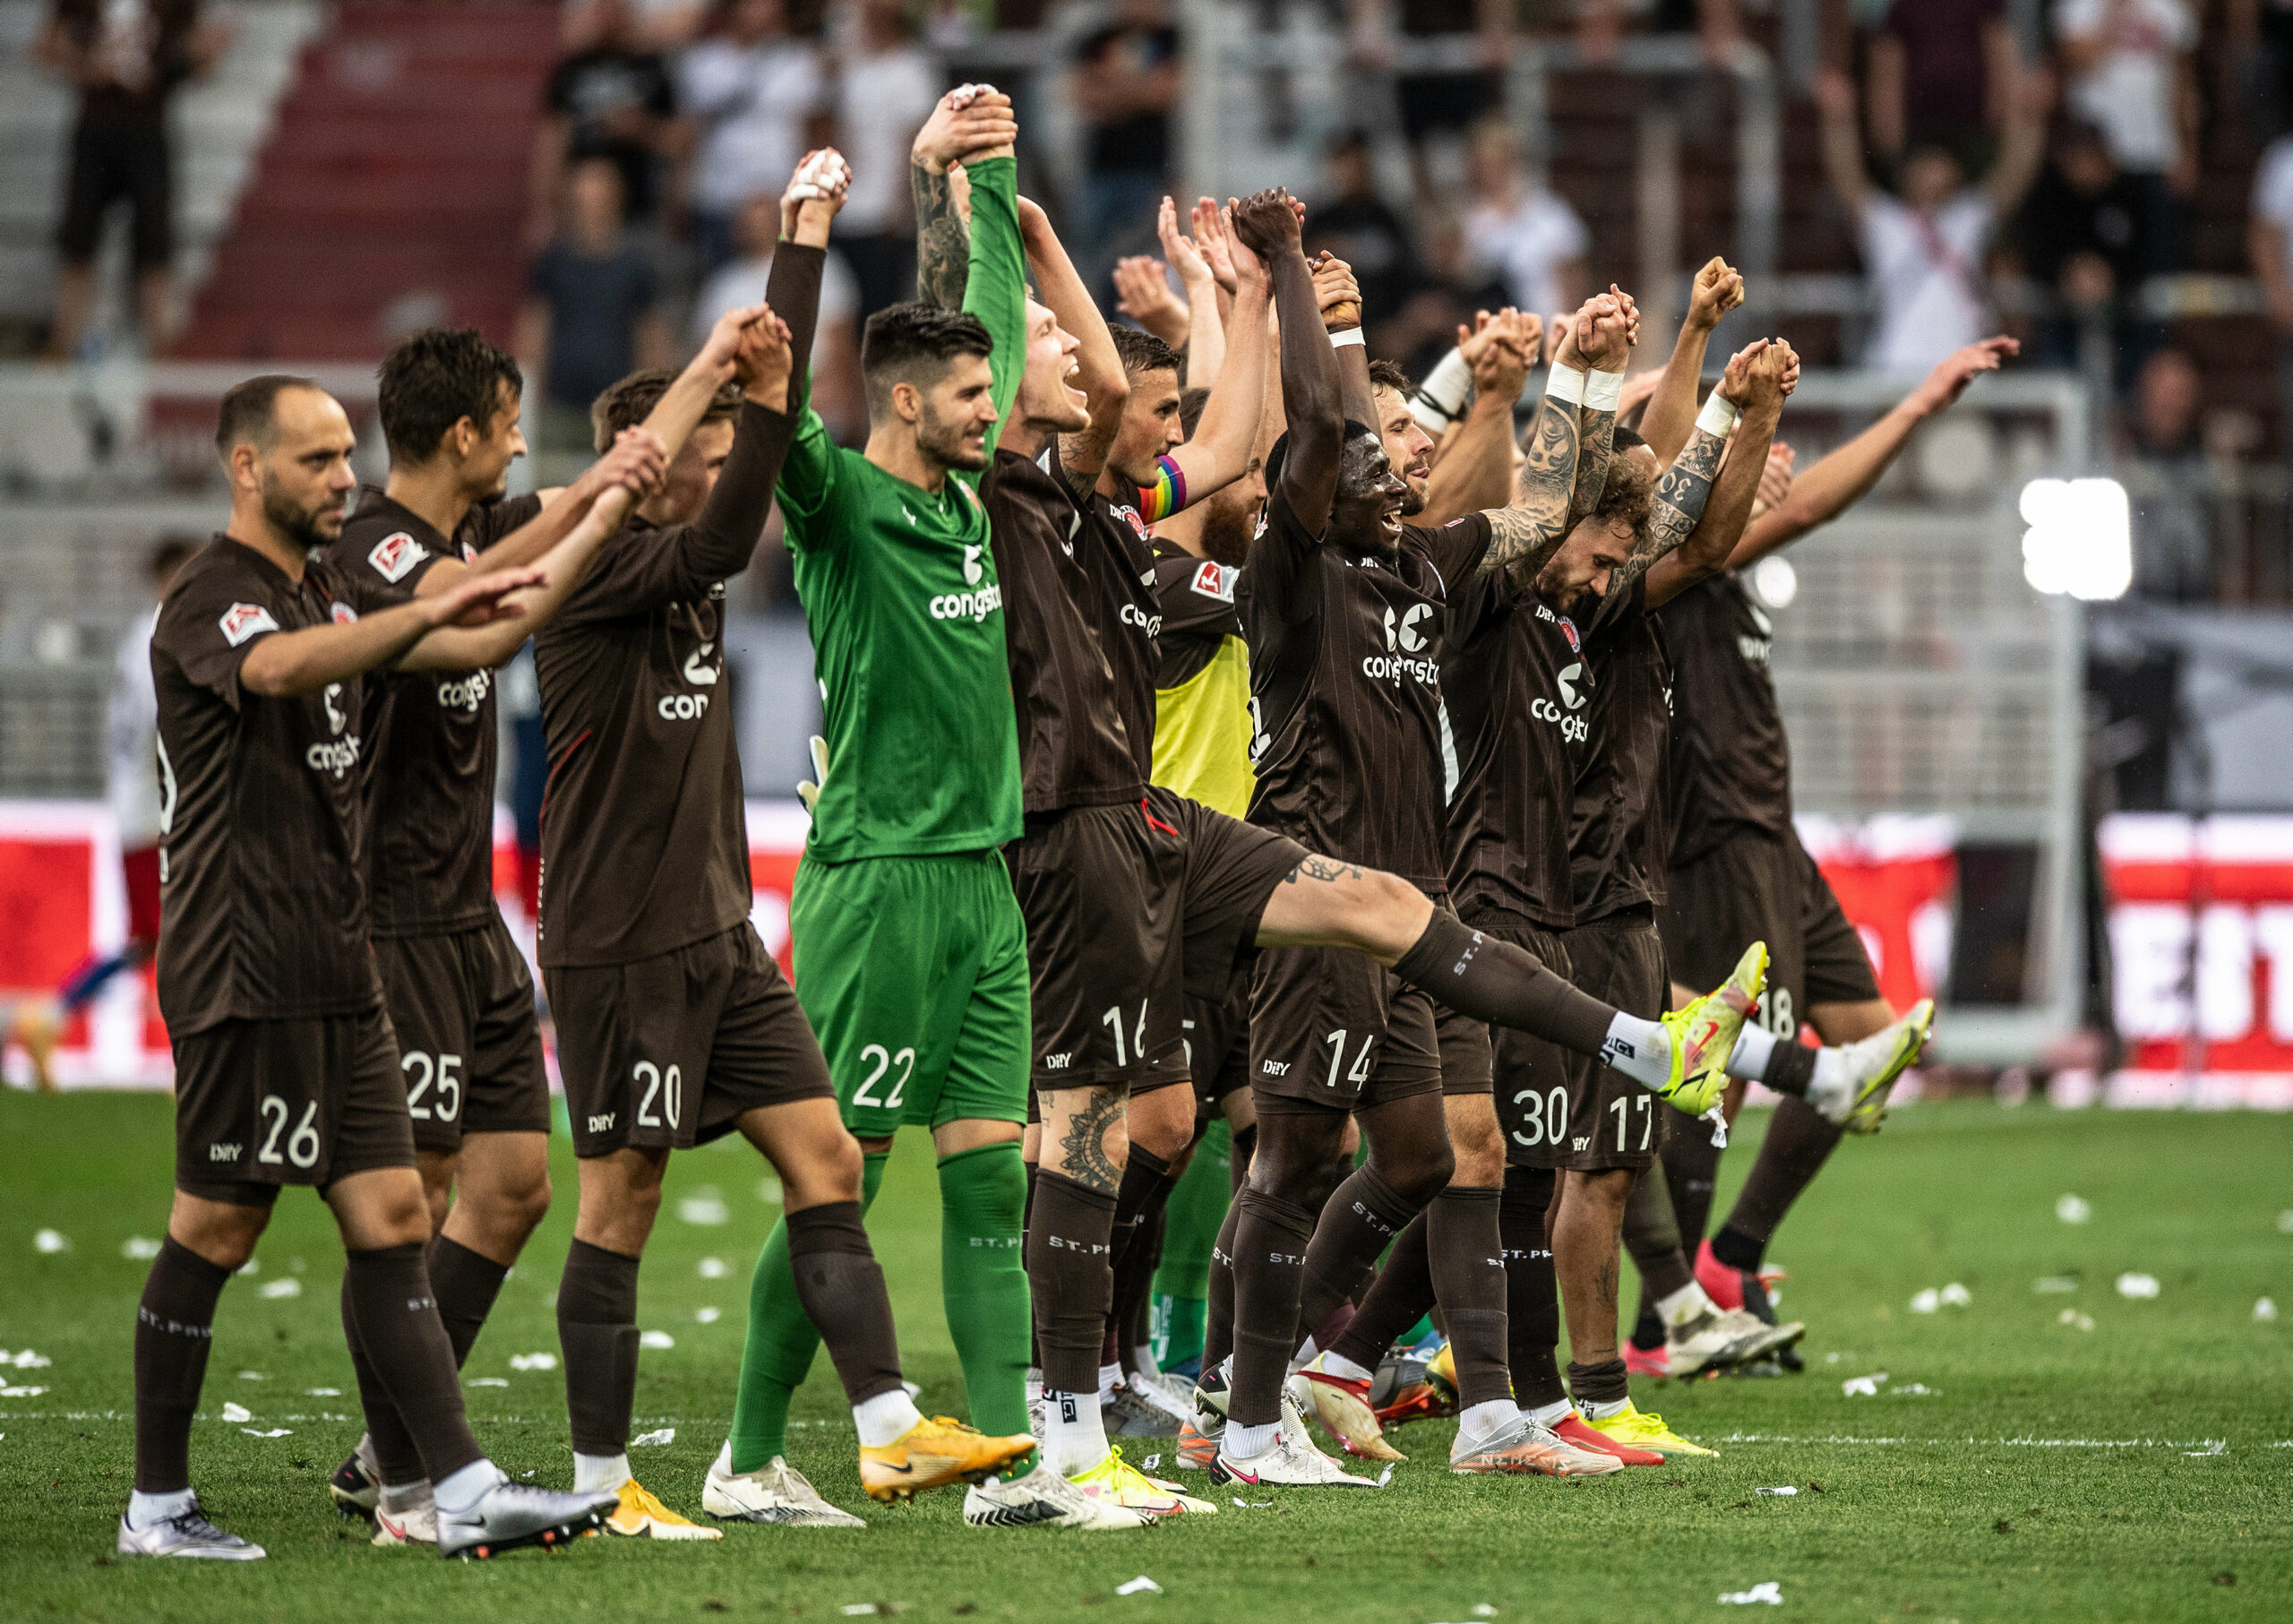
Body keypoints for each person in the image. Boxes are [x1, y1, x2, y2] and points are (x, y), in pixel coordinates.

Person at [1203, 229, 1762, 1488]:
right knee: (1295, 1160)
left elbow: (1552, 510)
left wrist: (1574, 375)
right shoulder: (1289, 579)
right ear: (1313, 480)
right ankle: (1237, 1414)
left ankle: (1486, 1416)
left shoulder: (1424, 570)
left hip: (1421, 908)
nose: (1396, 466)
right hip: (1318, 906)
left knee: (1439, 1155)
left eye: (1397, 448)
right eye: (1369, 451)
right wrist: (1305, 289)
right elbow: (1307, 425)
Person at [536, 153, 1009, 1538]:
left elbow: (745, 474)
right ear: (643, 471)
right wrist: (792, 263)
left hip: (721, 936)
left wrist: (885, 224)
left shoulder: (689, 583)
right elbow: (763, 462)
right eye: (695, 452)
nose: (717, 469)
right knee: (616, 1202)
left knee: (826, 1163)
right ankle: (595, 1484)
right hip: (619, 939)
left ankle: (884, 1429)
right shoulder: (604, 582)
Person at [125, 372, 648, 1560]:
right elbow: (274, 674)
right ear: (246, 468)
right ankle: (156, 1504)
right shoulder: (219, 593)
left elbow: (460, 612)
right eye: (313, 460)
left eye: (343, 455)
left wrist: (589, 509)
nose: (342, 476)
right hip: (242, 958)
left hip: (339, 954)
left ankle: (442, 1484)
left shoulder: (318, 584)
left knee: (393, 1212)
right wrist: (422, 616)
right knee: (216, 1225)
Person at [320, 322, 749, 1546]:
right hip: (388, 921)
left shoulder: (471, 532)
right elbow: (494, 615)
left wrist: (657, 438)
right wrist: (612, 489)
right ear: (464, 434)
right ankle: (416, 1482)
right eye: (510, 425)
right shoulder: (378, 552)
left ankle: (386, 1456)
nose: (524, 443)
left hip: (475, 919)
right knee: (397, 1204)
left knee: (509, 1188)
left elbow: (605, 492)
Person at [691, 128, 1045, 1532]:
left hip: (982, 882)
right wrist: (811, 230)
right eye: (965, 398)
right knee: (841, 1173)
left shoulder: (968, 498)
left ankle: (1021, 1469)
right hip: (878, 884)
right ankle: (748, 1453)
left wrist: (982, 178)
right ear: (898, 400)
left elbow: (999, 318)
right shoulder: (839, 503)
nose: (990, 411)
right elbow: (775, 399)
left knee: (991, 1183)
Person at [1642, 335, 2014, 1348]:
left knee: (1869, 1044)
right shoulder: (1678, 560)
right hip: (1713, 836)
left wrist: (1909, 407)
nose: (1783, 464)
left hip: (1772, 838)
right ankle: (1659, 1318)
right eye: (1759, 451)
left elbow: (1796, 499)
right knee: (1715, 1072)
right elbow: (1797, 501)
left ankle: (1729, 1257)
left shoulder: (1727, 568)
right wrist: (1907, 412)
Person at [8, 537, 197, 1091]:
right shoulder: (163, 636)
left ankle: (50, 1018)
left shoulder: (139, 637)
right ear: (170, 577)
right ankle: (188, 1061)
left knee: (152, 939)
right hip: (153, 813)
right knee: (179, 938)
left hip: (137, 811)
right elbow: (162, 727)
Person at [1813, 64, 2044, 373]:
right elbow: (1846, 176)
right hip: (1893, 369)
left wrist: (2029, 116)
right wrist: (1837, 119)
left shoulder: (1966, 217)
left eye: (1941, 162)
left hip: (1962, 370)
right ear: (1907, 173)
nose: (1933, 171)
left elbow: (2015, 173)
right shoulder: (1887, 220)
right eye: (1926, 163)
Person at [36, 0, 231, 358]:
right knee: (78, 243)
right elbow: (46, 48)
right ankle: (63, 343)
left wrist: (203, 53)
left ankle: (160, 347)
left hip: (147, 130)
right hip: (97, 128)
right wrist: (83, 66)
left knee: (154, 246)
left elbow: (198, 59)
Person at [517, 157, 674, 472]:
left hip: (615, 407)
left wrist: (653, 400)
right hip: (561, 405)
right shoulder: (553, 263)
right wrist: (527, 394)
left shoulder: (635, 266)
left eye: (599, 190)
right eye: (583, 191)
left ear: (617, 197)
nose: (590, 200)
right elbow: (535, 330)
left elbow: (650, 335)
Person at [691, 190, 864, 441]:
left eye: (764, 218)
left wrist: (853, 414)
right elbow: (711, 365)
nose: (756, 227)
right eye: (749, 221)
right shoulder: (721, 287)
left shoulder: (824, 266)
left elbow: (844, 351)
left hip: (821, 409)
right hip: (750, 418)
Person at [681, 0, 827, 274]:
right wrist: (680, 189)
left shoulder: (800, 60)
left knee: (779, 285)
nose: (760, 11)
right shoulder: (704, 61)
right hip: (719, 197)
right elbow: (689, 135)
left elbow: (814, 132)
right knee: (723, 283)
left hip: (777, 197)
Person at [2053, 0, 2198, 271]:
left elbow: (2183, 82)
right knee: (2100, 255)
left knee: (2159, 258)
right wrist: (2112, 16)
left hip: (2157, 151)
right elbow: (2079, 63)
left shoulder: (2168, 7)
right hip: (2098, 158)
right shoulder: (2078, 7)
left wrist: (2187, 148)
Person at [829, 0, 940, 322]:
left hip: (883, 216)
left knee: (879, 312)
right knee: (842, 310)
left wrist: (901, 208)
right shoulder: (853, 68)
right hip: (846, 210)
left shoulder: (913, 70)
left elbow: (917, 146)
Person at [534, 0, 679, 243]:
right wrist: (544, 208)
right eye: (602, 12)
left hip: (639, 207)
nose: (608, 20)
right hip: (580, 209)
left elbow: (679, 140)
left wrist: (640, 129)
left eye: (615, 12)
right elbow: (551, 140)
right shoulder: (572, 69)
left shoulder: (651, 68)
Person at [1072, 0, 1182, 276]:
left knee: (1145, 258)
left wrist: (1112, 85)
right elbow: (1083, 97)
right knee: (1093, 261)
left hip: (1150, 169)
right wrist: (1139, 86)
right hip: (1101, 169)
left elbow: (1165, 93)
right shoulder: (1095, 38)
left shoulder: (1169, 37)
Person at [1461, 119, 1588, 325]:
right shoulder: (1470, 219)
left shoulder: (1550, 213)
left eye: (1498, 164)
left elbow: (1574, 283)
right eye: (1484, 165)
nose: (1491, 173)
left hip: (1546, 332)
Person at [1866, 0, 2016, 169]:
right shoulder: (1903, 7)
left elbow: (1998, 54)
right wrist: (1888, 136)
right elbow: (1888, 67)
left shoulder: (1983, 5)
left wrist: (2000, 116)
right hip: (1918, 128)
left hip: (1973, 126)